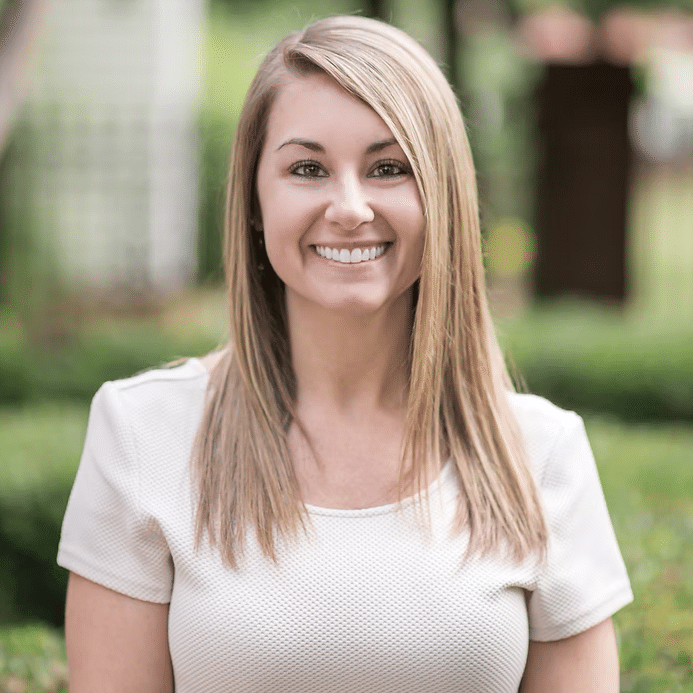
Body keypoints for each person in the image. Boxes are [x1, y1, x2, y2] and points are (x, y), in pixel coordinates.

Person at [58, 15, 633, 693]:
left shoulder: (540, 453)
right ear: (253, 199)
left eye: (388, 167)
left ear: (442, 195)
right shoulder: (141, 433)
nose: (350, 206)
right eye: (307, 168)